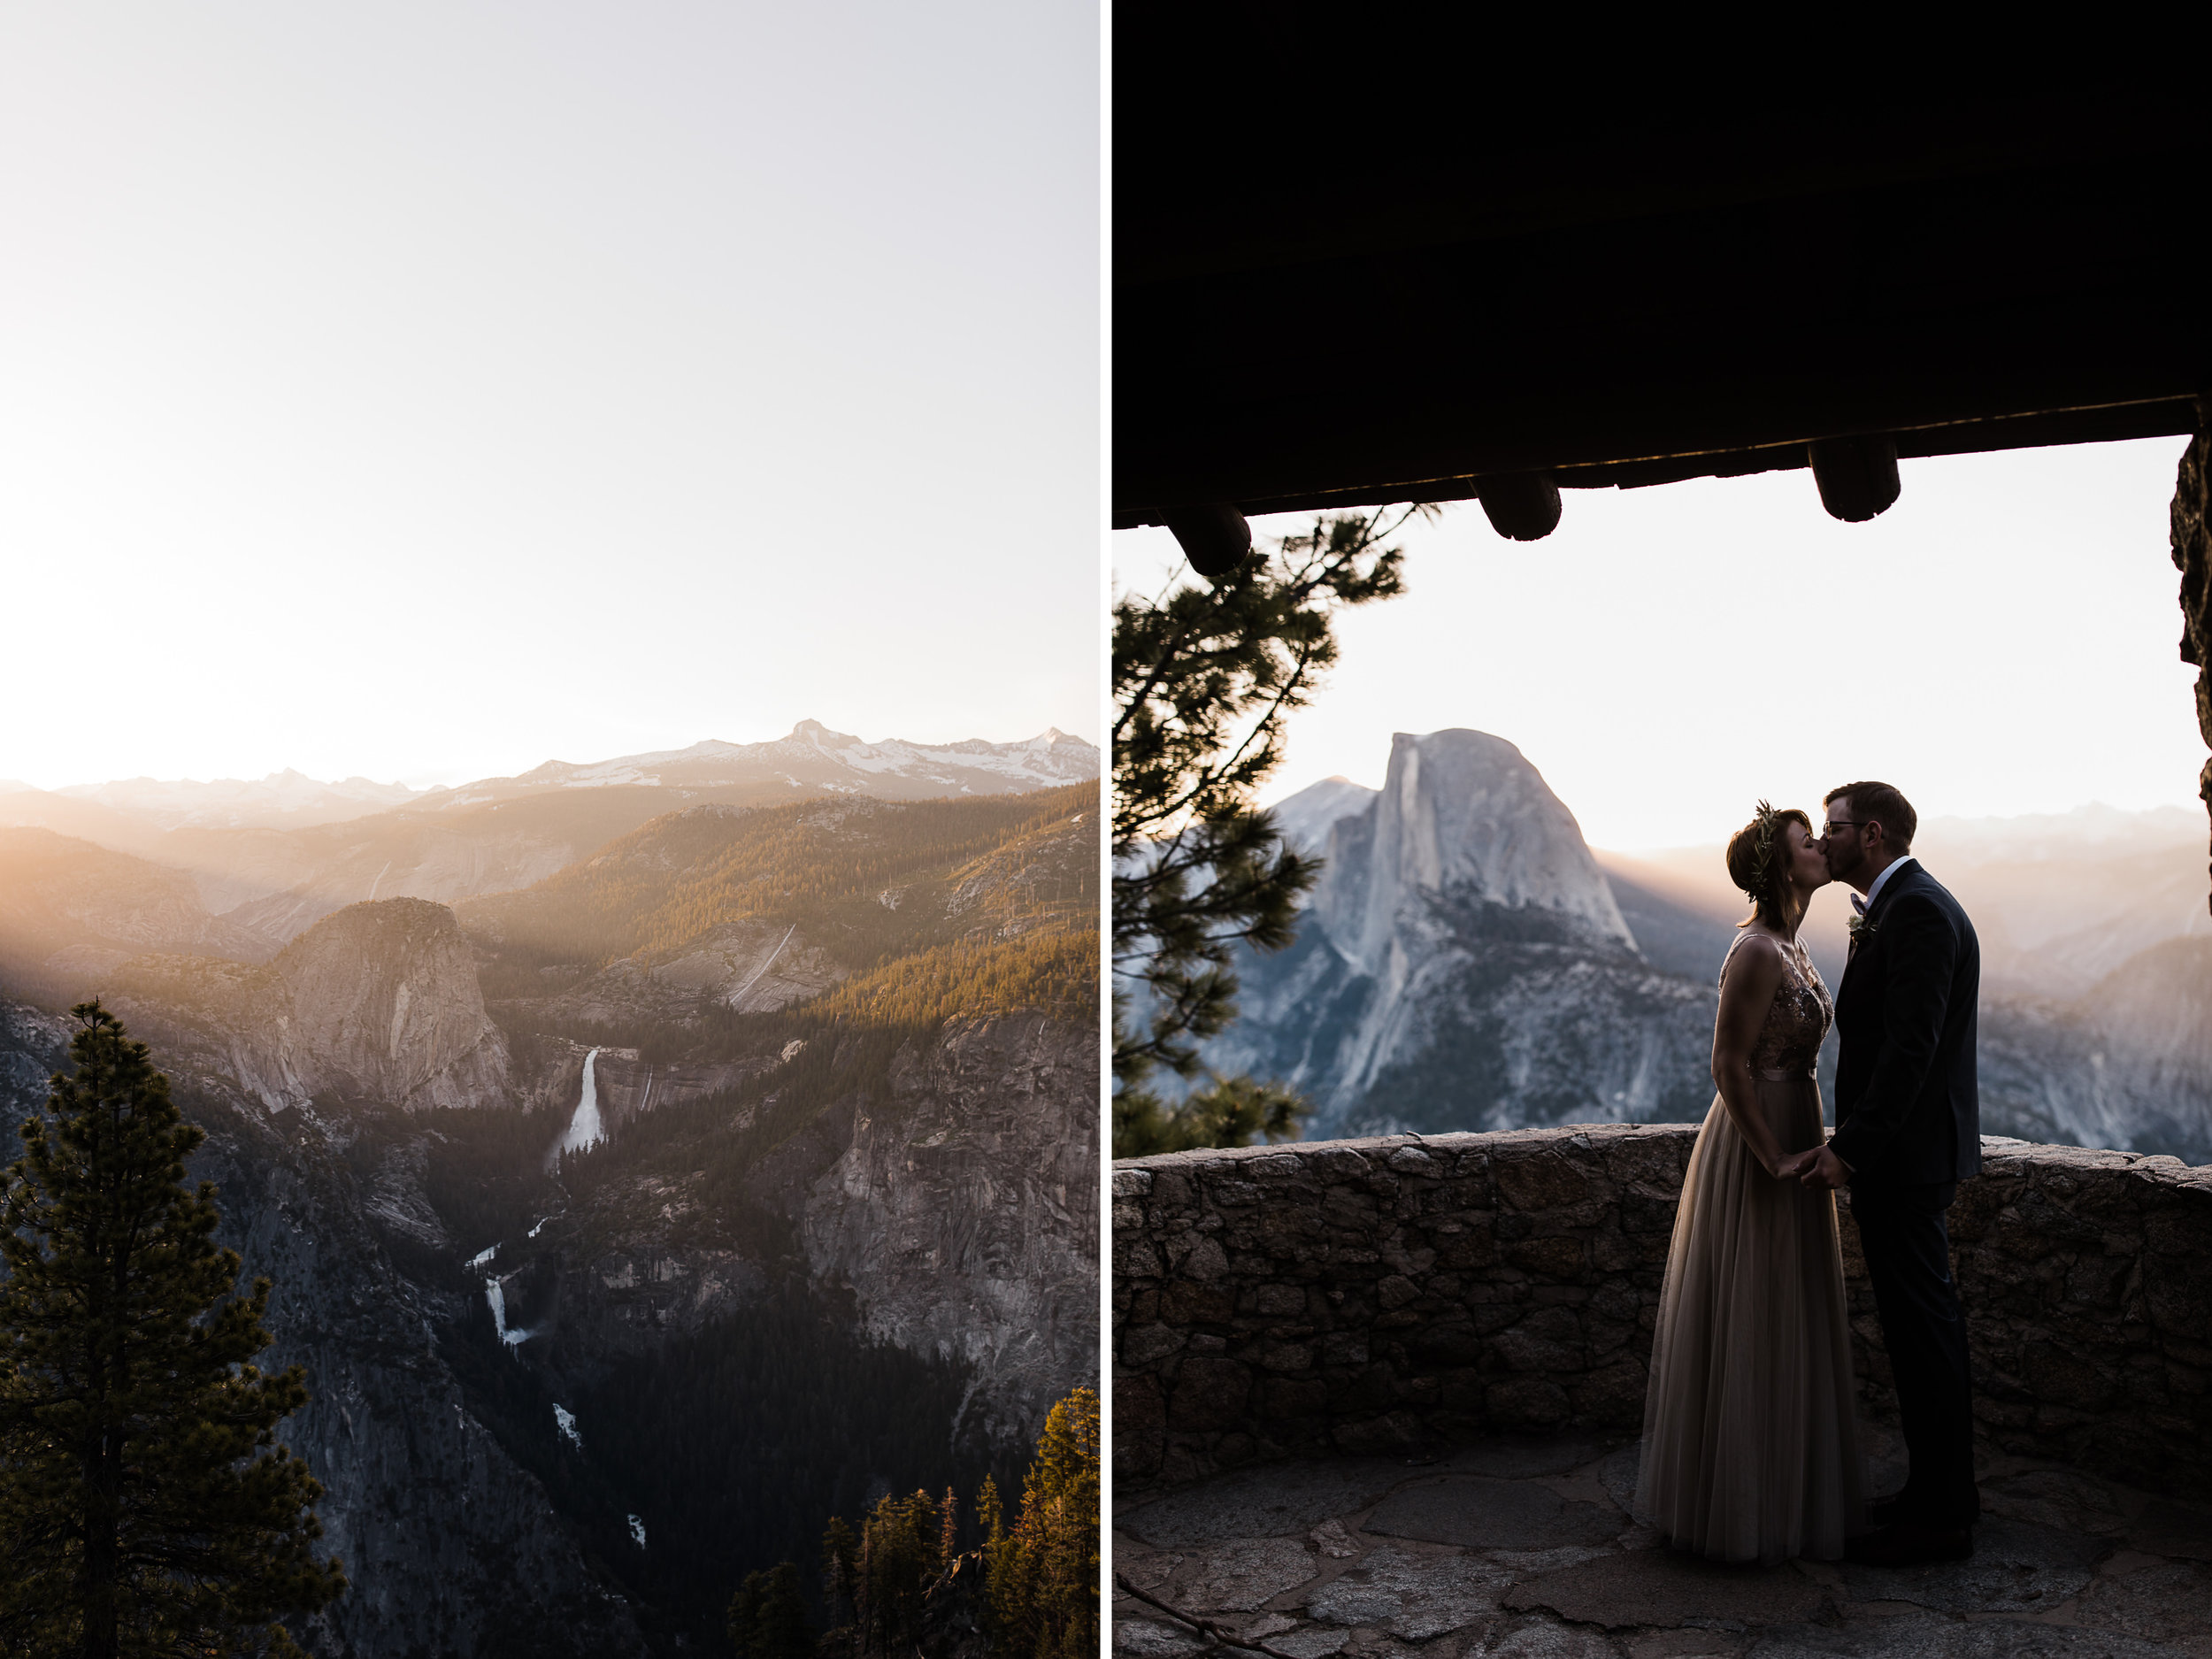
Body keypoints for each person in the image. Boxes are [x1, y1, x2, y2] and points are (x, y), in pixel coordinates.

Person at [1636, 803, 1863, 1564]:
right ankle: (1739, 1507)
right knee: (1752, 1309)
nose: (1822, 848)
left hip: (1800, 1118)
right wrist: (1769, 1156)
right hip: (1760, 1136)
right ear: (1780, 867)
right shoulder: (1759, 951)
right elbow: (1727, 1063)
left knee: (1787, 1312)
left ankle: (1782, 1493)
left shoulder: (1795, 944)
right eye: (1808, 842)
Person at [1784, 781, 1981, 1566]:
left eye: (1831, 829)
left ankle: (1940, 1519)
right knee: (1916, 1334)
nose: (1823, 842)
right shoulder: (1904, 907)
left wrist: (1849, 1148)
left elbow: (1910, 1051)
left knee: (1925, 1337)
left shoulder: (1919, 912)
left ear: (1869, 835)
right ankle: (1937, 1496)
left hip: (1904, 1162)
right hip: (1906, 1159)